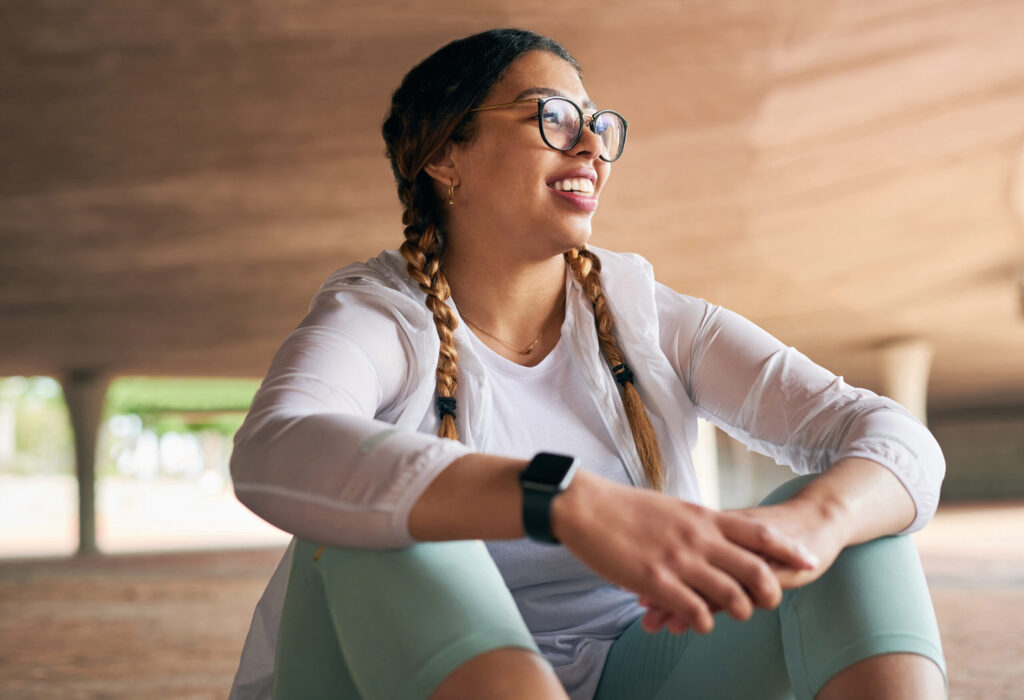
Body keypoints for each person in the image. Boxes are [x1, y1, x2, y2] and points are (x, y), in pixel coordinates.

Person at [228, 28, 948, 700]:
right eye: (554, 120)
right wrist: (565, 500)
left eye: (599, 128)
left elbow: (893, 437)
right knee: (373, 524)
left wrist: (811, 527)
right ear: (446, 155)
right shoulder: (380, 315)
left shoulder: (650, 318)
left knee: (858, 532)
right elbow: (275, 445)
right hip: (393, 669)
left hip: (642, 660)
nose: (592, 151)